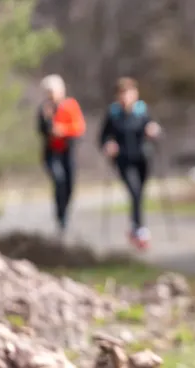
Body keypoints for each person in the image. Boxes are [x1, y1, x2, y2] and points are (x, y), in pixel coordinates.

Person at [99, 77, 162, 250]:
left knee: (139, 193)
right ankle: (140, 230)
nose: (126, 97)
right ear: (118, 96)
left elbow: (154, 129)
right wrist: (108, 144)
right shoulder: (113, 114)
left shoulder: (142, 111)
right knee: (134, 192)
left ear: (135, 94)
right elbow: (103, 136)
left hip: (142, 158)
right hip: (123, 160)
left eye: (129, 93)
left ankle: (135, 227)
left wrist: (154, 131)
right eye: (122, 94)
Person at [37, 74, 86, 233]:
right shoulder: (44, 109)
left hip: (68, 151)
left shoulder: (70, 105)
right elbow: (41, 131)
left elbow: (79, 128)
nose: (51, 95)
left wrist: (63, 130)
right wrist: (48, 121)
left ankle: (65, 212)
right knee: (59, 180)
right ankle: (60, 217)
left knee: (69, 184)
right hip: (52, 152)